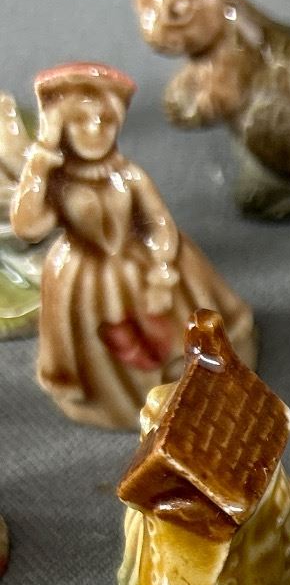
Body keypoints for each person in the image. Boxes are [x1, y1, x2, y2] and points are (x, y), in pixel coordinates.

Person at [11, 61, 255, 429]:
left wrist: (162, 268)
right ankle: (128, 398)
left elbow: (159, 223)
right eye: (79, 122)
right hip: (85, 278)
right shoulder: (58, 185)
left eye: (105, 121)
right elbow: (29, 227)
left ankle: (190, 384)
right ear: (61, 127)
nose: (95, 131)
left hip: (144, 263)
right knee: (101, 345)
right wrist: (42, 154)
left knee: (182, 333)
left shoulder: (128, 176)